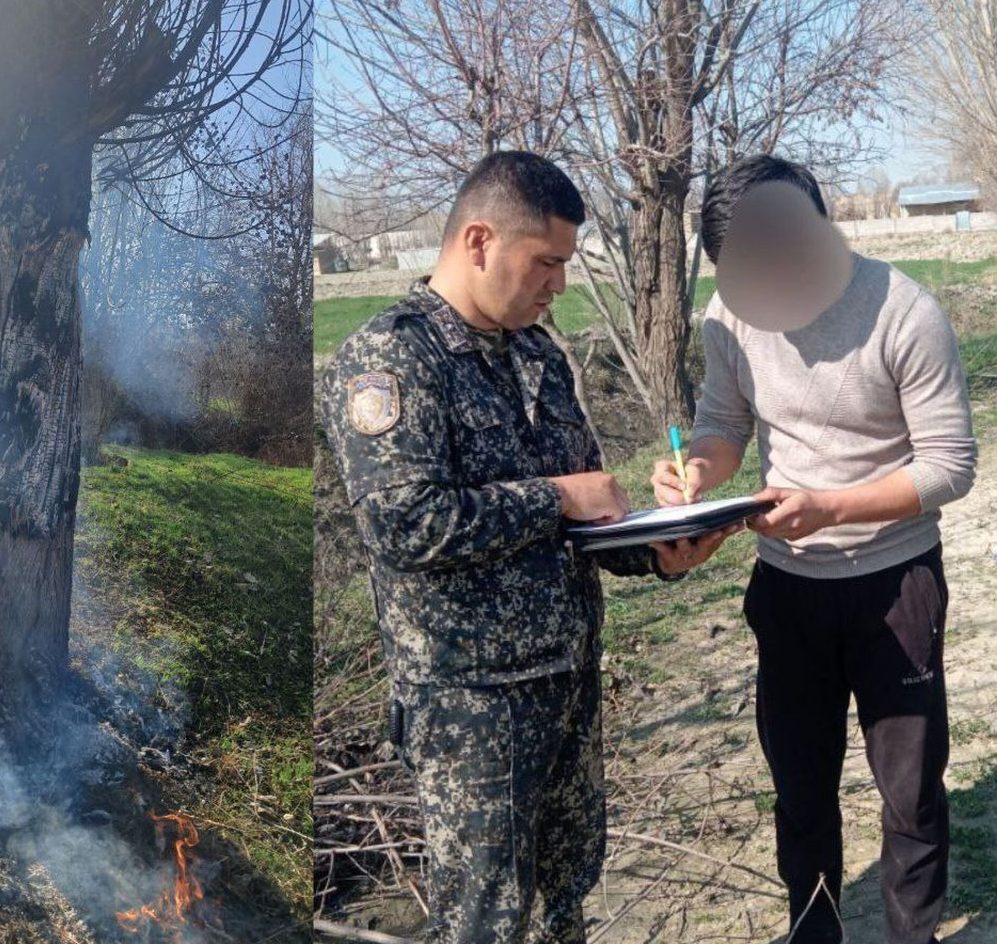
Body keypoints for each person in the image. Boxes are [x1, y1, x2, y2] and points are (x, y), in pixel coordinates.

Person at [320, 151, 736, 944]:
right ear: (479, 241)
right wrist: (557, 495)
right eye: (547, 261)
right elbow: (405, 524)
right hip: (474, 706)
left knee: (562, 901)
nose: (560, 284)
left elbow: (580, 518)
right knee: (485, 918)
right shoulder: (392, 356)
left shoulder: (536, 354)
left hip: (567, 682)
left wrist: (655, 550)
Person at [651, 154, 978, 944]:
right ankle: (813, 930)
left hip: (894, 583)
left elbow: (950, 464)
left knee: (911, 791)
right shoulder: (728, 317)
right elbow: (723, 423)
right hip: (788, 587)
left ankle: (913, 935)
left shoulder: (905, 312)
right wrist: (698, 469)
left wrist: (832, 506)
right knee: (800, 788)